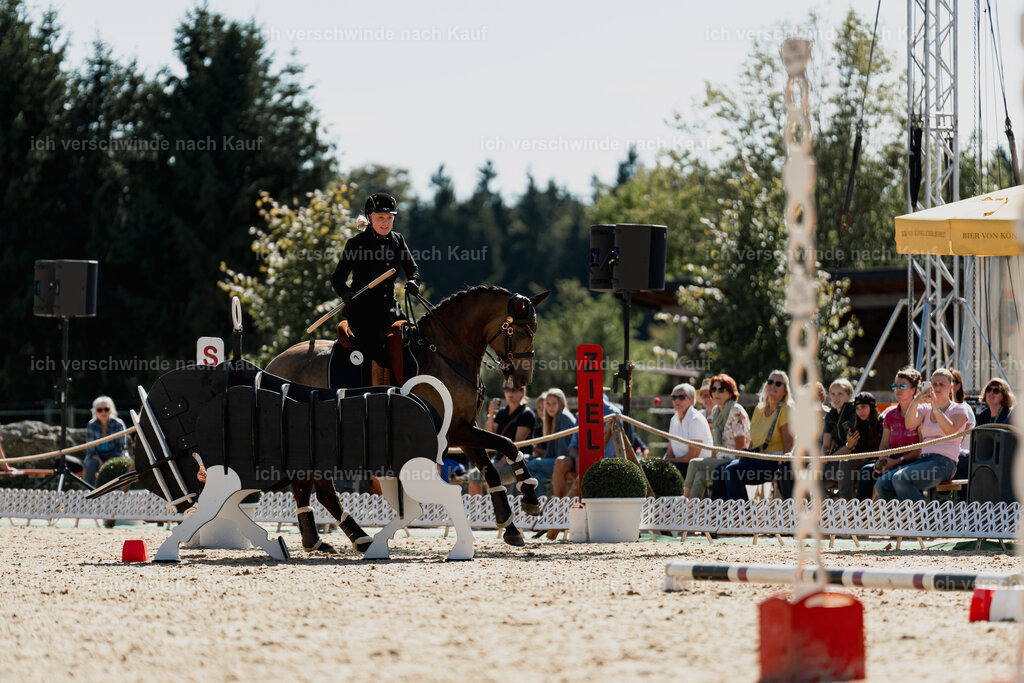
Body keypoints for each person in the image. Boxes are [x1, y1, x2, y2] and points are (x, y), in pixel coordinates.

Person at [330, 192, 420, 370]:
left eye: (389, 217)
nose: (386, 222)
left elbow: (413, 270)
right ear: (369, 218)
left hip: (392, 310)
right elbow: (337, 278)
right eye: (380, 217)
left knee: (417, 344)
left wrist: (413, 282)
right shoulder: (356, 244)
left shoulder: (398, 240)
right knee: (383, 356)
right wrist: (346, 293)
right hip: (363, 314)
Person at [875, 368, 968, 502]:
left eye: (941, 384)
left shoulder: (959, 408)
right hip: (924, 459)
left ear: (951, 387)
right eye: (934, 384)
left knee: (901, 478)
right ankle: (902, 520)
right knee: (882, 484)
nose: (937, 387)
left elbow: (950, 430)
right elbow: (910, 424)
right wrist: (916, 401)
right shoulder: (925, 408)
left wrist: (935, 407)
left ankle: (922, 521)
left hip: (944, 463)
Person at [721, 370, 795, 500]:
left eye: (778, 384)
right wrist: (744, 458)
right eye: (770, 382)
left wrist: (786, 459)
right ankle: (719, 516)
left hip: (774, 461)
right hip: (756, 458)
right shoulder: (759, 409)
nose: (773, 386)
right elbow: (753, 440)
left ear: (785, 391)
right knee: (720, 471)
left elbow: (789, 440)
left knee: (731, 472)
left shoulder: (786, 409)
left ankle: (743, 517)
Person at [686, 373, 749, 498]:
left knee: (694, 463)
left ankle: (683, 503)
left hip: (732, 462)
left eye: (721, 389)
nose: (716, 393)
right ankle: (692, 514)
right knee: (700, 476)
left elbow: (741, 446)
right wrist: (712, 459)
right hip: (720, 460)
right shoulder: (716, 411)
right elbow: (716, 445)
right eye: (713, 389)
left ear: (730, 392)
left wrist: (735, 472)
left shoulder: (735, 410)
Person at [472, 378, 537, 495]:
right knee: (473, 476)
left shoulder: (526, 414)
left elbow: (516, 445)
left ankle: (497, 508)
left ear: (522, 392)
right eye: (507, 389)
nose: (510, 393)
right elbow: (487, 438)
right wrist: (491, 415)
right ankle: (479, 510)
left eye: (514, 389)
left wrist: (499, 464)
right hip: (500, 459)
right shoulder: (501, 412)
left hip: (520, 460)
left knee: (492, 474)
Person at [829, 392, 883, 499]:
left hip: (878, 461)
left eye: (863, 407)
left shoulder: (881, 422)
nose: (860, 411)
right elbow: (855, 452)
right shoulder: (857, 424)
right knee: (845, 463)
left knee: (864, 470)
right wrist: (850, 444)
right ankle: (845, 504)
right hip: (862, 460)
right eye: (857, 408)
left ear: (871, 406)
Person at [526, 388, 577, 497]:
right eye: (548, 404)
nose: (550, 407)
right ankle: (541, 507)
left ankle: (533, 506)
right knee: (535, 473)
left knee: (528, 467)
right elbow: (550, 452)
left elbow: (563, 452)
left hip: (567, 461)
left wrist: (541, 460)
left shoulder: (562, 417)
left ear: (561, 403)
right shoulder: (552, 419)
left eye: (554, 403)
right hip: (556, 460)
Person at [662, 383, 713, 480]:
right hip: (679, 465)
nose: (677, 400)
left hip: (698, 465)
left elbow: (692, 456)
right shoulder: (674, 419)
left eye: (681, 397)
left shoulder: (695, 419)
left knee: (667, 474)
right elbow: (670, 451)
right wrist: (662, 463)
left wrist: (670, 462)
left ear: (692, 400)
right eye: (674, 397)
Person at [822, 379, 857, 498]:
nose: (836, 397)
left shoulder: (853, 413)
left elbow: (851, 446)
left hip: (851, 456)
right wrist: (824, 456)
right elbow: (826, 445)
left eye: (840, 394)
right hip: (835, 456)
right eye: (833, 394)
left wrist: (830, 458)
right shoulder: (831, 415)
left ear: (849, 395)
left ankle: (845, 508)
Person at [84, 396, 129, 486]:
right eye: (100, 410)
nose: (103, 412)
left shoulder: (118, 424)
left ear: (111, 410)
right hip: (97, 457)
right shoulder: (91, 425)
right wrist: (100, 462)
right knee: (91, 464)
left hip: (116, 455)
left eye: (106, 409)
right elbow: (91, 450)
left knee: (117, 465)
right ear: (95, 412)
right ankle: (89, 491)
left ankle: (119, 492)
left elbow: (120, 448)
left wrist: (107, 463)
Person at [949, 368, 976, 479]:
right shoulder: (938, 410)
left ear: (958, 386)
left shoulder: (964, 409)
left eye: (950, 381)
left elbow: (957, 442)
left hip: (958, 458)